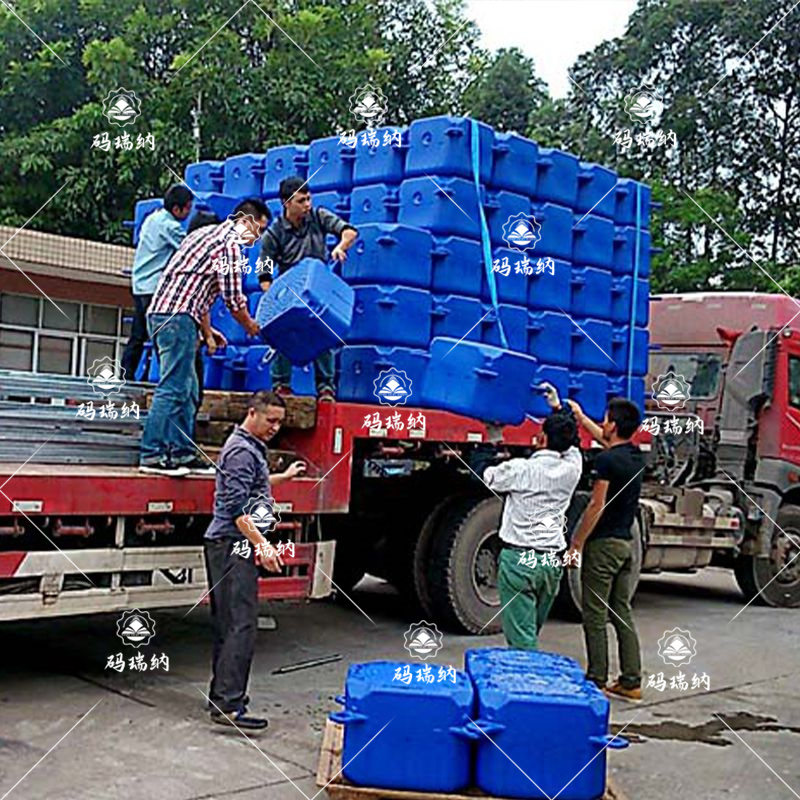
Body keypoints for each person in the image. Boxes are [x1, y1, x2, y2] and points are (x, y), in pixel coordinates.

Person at [139, 199, 270, 477]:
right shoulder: (229, 245)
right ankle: (151, 454)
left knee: (188, 391)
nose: (257, 237)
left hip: (168, 315)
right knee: (173, 388)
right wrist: (250, 325)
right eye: (258, 229)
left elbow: (197, 289)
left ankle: (182, 453)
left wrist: (207, 331)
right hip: (177, 317)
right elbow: (233, 298)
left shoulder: (203, 234)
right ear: (245, 221)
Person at [204, 391, 306, 729]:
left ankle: (222, 698)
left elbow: (253, 486)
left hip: (231, 543)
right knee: (241, 625)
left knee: (231, 624)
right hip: (232, 543)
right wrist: (262, 545)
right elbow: (237, 509)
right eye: (270, 420)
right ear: (252, 413)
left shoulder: (249, 449)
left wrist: (284, 477)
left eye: (280, 422)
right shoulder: (240, 452)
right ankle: (229, 705)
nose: (275, 427)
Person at [483, 385, 582, 649]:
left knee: (522, 642)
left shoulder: (520, 470)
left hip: (519, 561)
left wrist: (492, 439)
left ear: (542, 439)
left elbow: (486, 475)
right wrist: (558, 408)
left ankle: (529, 673)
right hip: (550, 562)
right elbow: (573, 442)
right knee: (530, 632)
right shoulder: (572, 470)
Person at [566, 397, 645, 701]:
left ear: (614, 424)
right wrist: (581, 416)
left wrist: (577, 543)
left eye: (605, 419)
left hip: (603, 547)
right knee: (621, 612)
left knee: (595, 614)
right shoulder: (635, 457)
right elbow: (606, 441)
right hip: (626, 545)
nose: (602, 423)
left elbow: (596, 506)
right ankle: (631, 680)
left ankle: (596, 677)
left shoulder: (606, 462)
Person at [258, 176, 358, 401]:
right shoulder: (274, 234)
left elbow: (349, 232)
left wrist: (340, 247)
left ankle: (326, 388)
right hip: (290, 295)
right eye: (301, 201)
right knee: (282, 332)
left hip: (318, 290)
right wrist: (274, 300)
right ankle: (281, 385)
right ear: (286, 203)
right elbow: (264, 274)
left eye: (308, 199)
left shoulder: (319, 217)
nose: (307, 205)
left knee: (323, 330)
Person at [121, 185, 193, 381]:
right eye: (187, 208)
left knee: (138, 334)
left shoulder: (152, 218)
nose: (189, 213)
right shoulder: (171, 227)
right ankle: (165, 380)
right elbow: (189, 250)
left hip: (140, 284)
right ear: (176, 209)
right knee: (163, 335)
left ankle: (126, 375)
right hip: (154, 287)